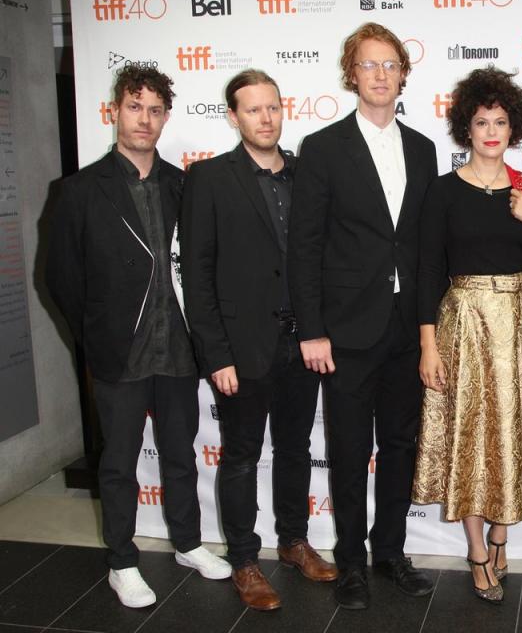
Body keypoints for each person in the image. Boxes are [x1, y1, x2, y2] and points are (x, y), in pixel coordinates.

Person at [46, 64, 230, 608]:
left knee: (180, 456)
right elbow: (59, 277)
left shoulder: (185, 185)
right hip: (118, 353)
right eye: (134, 107)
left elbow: (202, 266)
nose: (144, 119)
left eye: (154, 110)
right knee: (119, 463)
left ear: (166, 117)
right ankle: (121, 560)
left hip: (177, 349)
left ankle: (188, 544)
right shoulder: (78, 190)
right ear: (114, 111)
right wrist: (97, 332)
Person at [288, 22, 438, 610]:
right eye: (369, 66)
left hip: (406, 331)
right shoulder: (322, 148)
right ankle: (350, 561)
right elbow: (304, 247)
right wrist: (313, 329)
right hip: (345, 331)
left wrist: (431, 330)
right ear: (352, 74)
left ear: (404, 74)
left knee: (400, 446)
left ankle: (391, 552)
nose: (380, 76)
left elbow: (426, 249)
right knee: (350, 451)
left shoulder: (423, 149)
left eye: (391, 65)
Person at [180, 69, 337, 611]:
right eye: (253, 110)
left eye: (272, 107)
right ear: (233, 116)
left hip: (304, 344)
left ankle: (293, 542)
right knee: (242, 456)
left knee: (296, 449)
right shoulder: (209, 179)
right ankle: (245, 560)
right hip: (242, 350)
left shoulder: (307, 172)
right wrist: (215, 353)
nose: (266, 118)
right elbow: (196, 276)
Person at [412, 67, 522, 604]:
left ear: (514, 127)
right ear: (466, 128)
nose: (492, 131)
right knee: (470, 439)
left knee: (513, 432)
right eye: (482, 121)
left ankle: (503, 534)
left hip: (519, 326)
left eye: (501, 121)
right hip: (463, 324)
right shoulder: (442, 191)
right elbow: (428, 270)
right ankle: (478, 550)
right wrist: (428, 344)